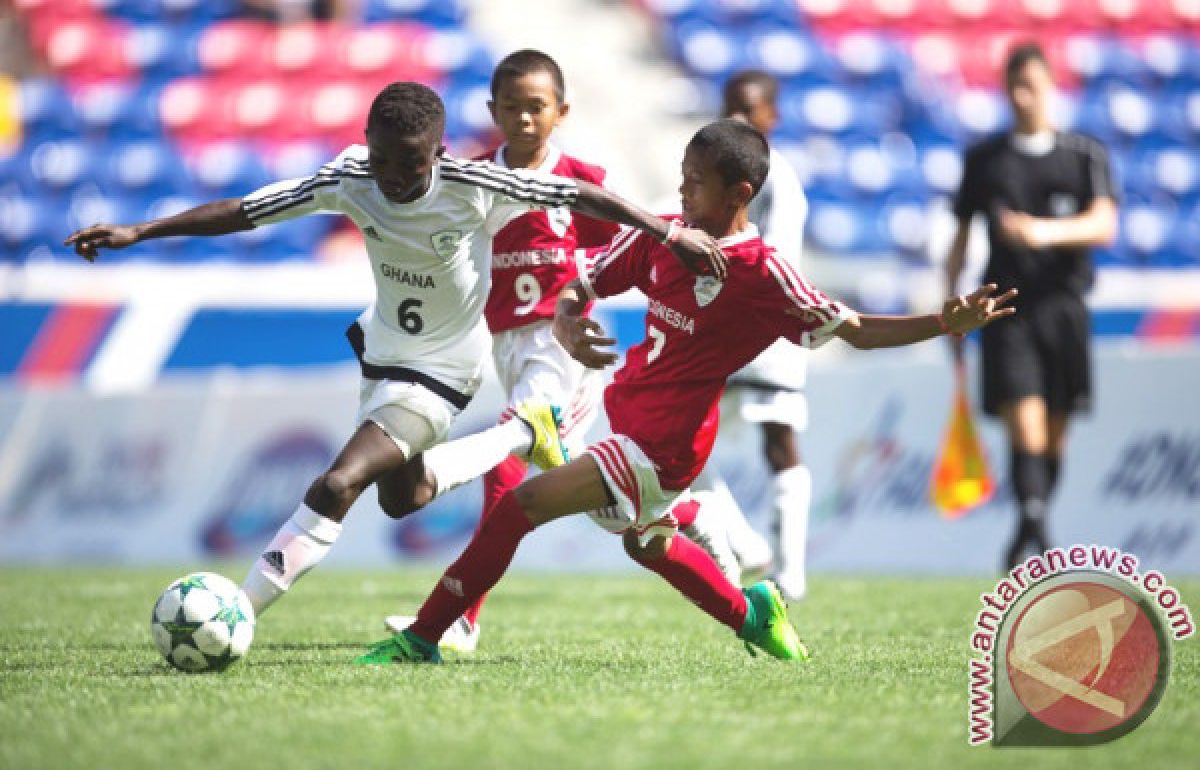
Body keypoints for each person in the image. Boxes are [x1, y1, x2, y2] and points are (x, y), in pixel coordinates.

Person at [357, 118, 1017, 665]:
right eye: (682, 176)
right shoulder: (667, 236)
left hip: (664, 446)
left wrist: (944, 322)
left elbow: (859, 330)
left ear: (740, 192)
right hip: (627, 421)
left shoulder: (766, 277)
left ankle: (426, 636)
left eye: (696, 183)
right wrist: (569, 320)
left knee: (516, 507)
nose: (682, 190)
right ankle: (751, 612)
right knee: (645, 543)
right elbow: (586, 281)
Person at [65, 81, 729, 621]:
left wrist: (665, 235)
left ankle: (237, 611)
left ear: (438, 151)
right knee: (401, 496)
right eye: (383, 160)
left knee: (337, 482)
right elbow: (246, 210)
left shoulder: (476, 185)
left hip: (443, 371)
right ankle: (517, 439)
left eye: (411, 164)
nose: (395, 178)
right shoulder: (351, 177)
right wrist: (140, 229)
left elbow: (576, 193)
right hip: (382, 358)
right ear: (366, 146)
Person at [381, 50, 620, 651]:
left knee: (509, 463)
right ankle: (701, 521)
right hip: (504, 343)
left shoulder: (580, 179)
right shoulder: (475, 178)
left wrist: (581, 313)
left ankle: (458, 617)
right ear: (492, 111)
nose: (523, 119)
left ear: (560, 111)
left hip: (558, 345)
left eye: (536, 107)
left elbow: (612, 257)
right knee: (613, 504)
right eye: (510, 108)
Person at [946, 42, 1118, 570]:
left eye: (1033, 87)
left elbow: (1104, 224)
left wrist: (1041, 233)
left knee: (1056, 432)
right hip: (1007, 308)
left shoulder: (1083, 154)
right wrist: (949, 305)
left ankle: (1028, 530)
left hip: (1065, 307)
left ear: (1050, 87)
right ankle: (1041, 539)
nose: (1023, 98)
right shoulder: (985, 159)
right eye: (1014, 87)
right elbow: (961, 236)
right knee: (1027, 423)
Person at [681, 69, 814, 599]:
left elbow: (769, 255)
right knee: (686, 445)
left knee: (777, 443)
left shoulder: (775, 175)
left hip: (762, 327)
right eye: (730, 108)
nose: (738, 119)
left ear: (771, 116)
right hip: (724, 325)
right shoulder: (718, 173)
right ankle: (752, 547)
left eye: (750, 110)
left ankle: (784, 567)